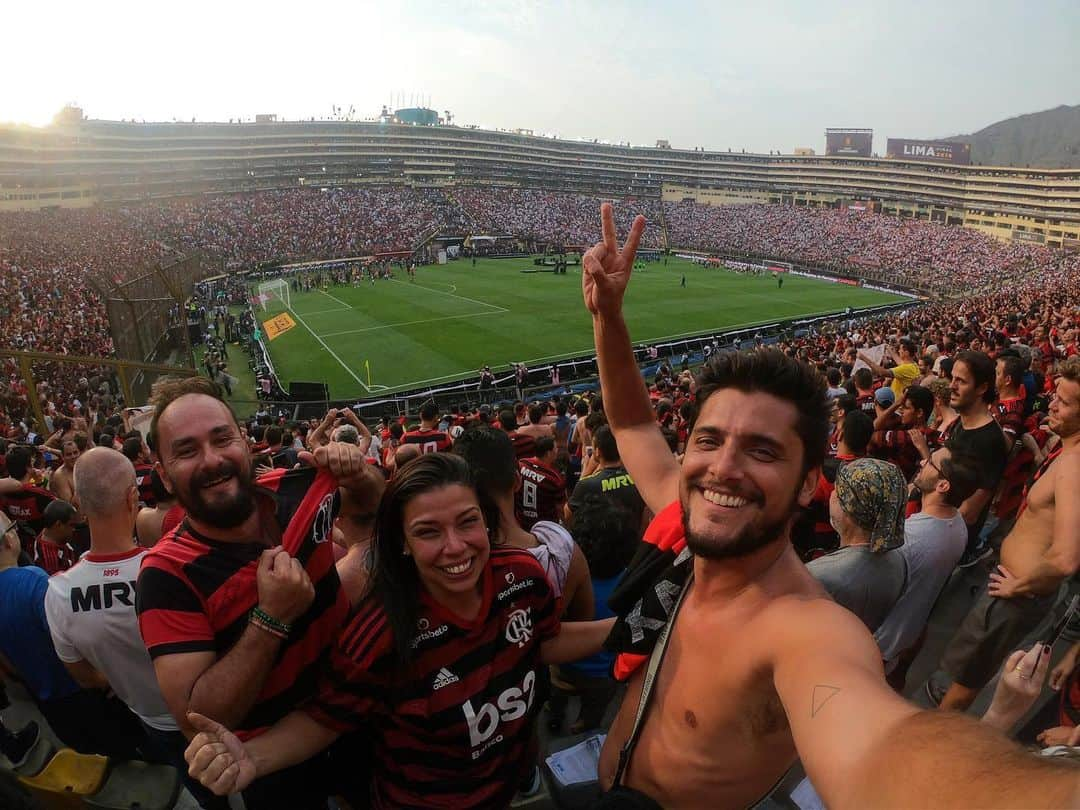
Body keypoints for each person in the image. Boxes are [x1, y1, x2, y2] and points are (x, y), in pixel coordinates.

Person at [580, 202, 1077, 808]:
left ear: (809, 483)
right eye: (709, 440)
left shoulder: (808, 628)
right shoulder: (696, 520)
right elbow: (632, 423)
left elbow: (884, 747)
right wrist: (608, 317)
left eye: (762, 451)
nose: (724, 466)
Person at [183, 453, 615, 807]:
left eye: (467, 522)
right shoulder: (380, 633)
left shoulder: (521, 575)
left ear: (486, 521)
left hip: (502, 788)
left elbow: (544, 640)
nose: (455, 546)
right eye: (429, 532)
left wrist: (628, 628)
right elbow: (325, 720)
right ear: (403, 543)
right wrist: (251, 757)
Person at [134, 376, 365, 809]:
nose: (212, 460)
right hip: (276, 764)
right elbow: (198, 719)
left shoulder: (297, 488)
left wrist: (356, 466)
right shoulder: (165, 575)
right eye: (187, 450)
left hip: (363, 709)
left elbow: (372, 509)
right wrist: (271, 620)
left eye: (222, 439)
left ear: (244, 441)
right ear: (162, 475)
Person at [930, 356, 1080, 711]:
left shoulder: (1075, 467)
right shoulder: (1067, 451)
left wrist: (1017, 586)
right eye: (1055, 395)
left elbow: (1066, 558)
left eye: (1065, 401)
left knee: (964, 683)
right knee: (964, 672)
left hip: (1015, 595)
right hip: (1013, 589)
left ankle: (924, 746)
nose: (1051, 403)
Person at [43, 448, 191, 783]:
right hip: (202, 710)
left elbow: (84, 676)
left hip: (148, 716)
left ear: (78, 502)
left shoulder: (59, 593)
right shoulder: (173, 567)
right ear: (132, 497)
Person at [874, 448, 978, 681]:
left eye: (931, 462)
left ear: (943, 486)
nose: (923, 461)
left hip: (878, 642)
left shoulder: (909, 537)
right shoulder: (957, 523)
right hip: (903, 637)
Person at [805, 458, 908, 633]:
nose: (831, 495)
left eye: (837, 492)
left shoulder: (820, 576)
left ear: (849, 509)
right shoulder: (898, 560)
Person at [565, 425, 645, 533]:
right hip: (632, 542)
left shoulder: (587, 484)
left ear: (598, 451)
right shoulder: (638, 479)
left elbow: (568, 515)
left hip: (599, 544)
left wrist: (585, 472)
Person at [516, 436, 567, 530]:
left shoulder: (521, 464)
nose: (557, 450)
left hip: (521, 522)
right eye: (555, 448)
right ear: (548, 453)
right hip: (545, 527)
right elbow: (561, 509)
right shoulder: (554, 479)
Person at [33, 499, 78, 575]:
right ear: (58, 524)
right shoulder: (49, 560)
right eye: (71, 525)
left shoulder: (51, 534)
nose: (74, 529)